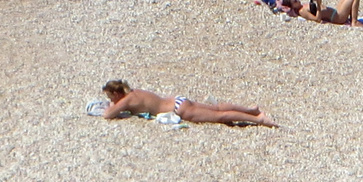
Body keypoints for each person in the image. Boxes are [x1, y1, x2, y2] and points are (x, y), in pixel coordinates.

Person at [100, 80, 276, 127]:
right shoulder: (136, 92)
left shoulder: (127, 99)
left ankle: (259, 119)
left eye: (111, 97)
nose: (111, 101)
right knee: (217, 107)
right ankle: (251, 110)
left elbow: (109, 115)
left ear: (116, 93)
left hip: (178, 109)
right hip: (179, 100)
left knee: (220, 116)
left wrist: (110, 107)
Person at [279, 0, 361, 26]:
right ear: (293, 6)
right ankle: (354, 21)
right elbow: (317, 20)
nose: (298, 0)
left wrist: (318, 0)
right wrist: (318, 4)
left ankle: (353, 19)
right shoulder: (302, 11)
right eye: (295, 1)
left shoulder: (302, 6)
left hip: (335, 12)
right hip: (337, 17)